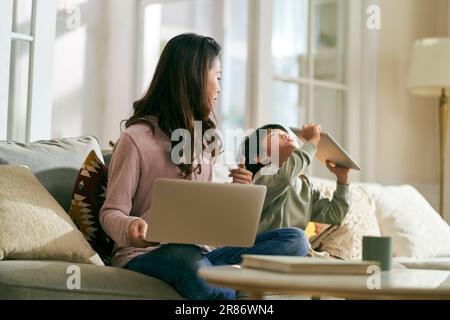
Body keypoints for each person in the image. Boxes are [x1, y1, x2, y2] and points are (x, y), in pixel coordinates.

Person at [99, 34, 310, 300]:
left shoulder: (202, 143)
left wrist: (235, 194)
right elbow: (111, 212)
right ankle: (228, 286)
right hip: (147, 255)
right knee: (184, 256)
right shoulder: (136, 139)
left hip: (202, 253)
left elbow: (200, 213)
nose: (220, 88)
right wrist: (131, 227)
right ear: (195, 78)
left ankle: (219, 280)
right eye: (218, 77)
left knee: (295, 240)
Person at [240, 124, 351, 235]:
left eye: (284, 133)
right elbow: (286, 177)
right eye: (272, 135)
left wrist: (342, 180)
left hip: (296, 245)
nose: (284, 135)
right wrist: (313, 141)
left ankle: (323, 252)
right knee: (298, 236)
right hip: (268, 244)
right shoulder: (261, 178)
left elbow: (335, 214)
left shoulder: (305, 185)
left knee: (344, 231)